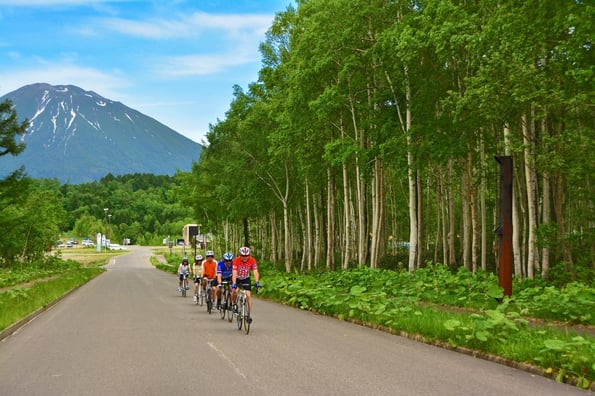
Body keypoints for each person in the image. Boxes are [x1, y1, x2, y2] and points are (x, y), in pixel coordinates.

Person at [231, 246, 261, 321]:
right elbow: (234, 272)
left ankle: (248, 315)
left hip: (246, 278)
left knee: (248, 295)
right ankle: (234, 304)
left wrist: (257, 282)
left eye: (246, 256)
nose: (245, 257)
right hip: (237, 278)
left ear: (249, 255)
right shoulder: (236, 260)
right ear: (240, 255)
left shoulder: (252, 260)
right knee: (235, 292)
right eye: (243, 256)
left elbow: (255, 271)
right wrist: (234, 283)